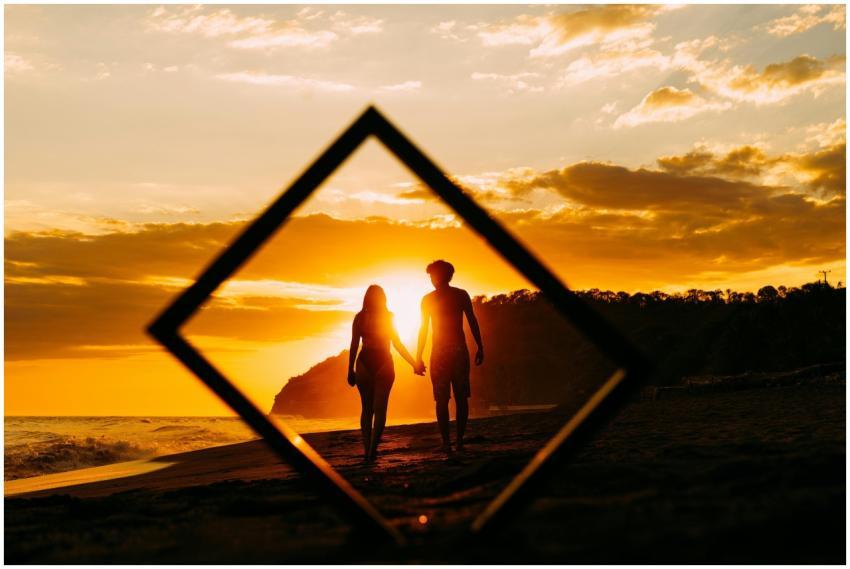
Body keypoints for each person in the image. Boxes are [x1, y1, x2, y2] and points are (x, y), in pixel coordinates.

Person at [347, 285, 421, 462]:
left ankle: (367, 450)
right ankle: (372, 451)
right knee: (380, 409)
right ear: (383, 299)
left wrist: (350, 369)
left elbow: (354, 345)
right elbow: (397, 343)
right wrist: (414, 364)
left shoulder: (359, 318)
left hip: (364, 362)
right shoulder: (388, 317)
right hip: (383, 362)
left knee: (367, 409)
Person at [416, 260, 484, 453]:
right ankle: (454, 441)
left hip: (445, 352)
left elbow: (471, 321)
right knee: (453, 398)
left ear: (443, 276)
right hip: (454, 351)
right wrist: (480, 346)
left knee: (448, 399)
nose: (431, 279)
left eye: (432, 275)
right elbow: (424, 329)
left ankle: (452, 441)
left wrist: (418, 356)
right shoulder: (457, 295)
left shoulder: (436, 298)